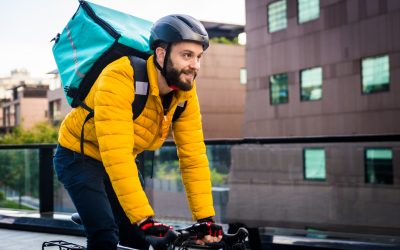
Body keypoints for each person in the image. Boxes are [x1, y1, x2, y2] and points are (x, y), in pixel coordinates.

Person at [53, 14, 223, 250]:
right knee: (105, 234)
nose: (195, 65)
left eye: (198, 57)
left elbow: (193, 157)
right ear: (161, 54)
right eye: (186, 55)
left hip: (122, 161)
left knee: (139, 240)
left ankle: (100, 212)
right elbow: (117, 155)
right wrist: (144, 219)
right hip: (78, 156)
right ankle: (97, 215)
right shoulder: (121, 76)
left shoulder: (185, 94)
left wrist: (205, 219)